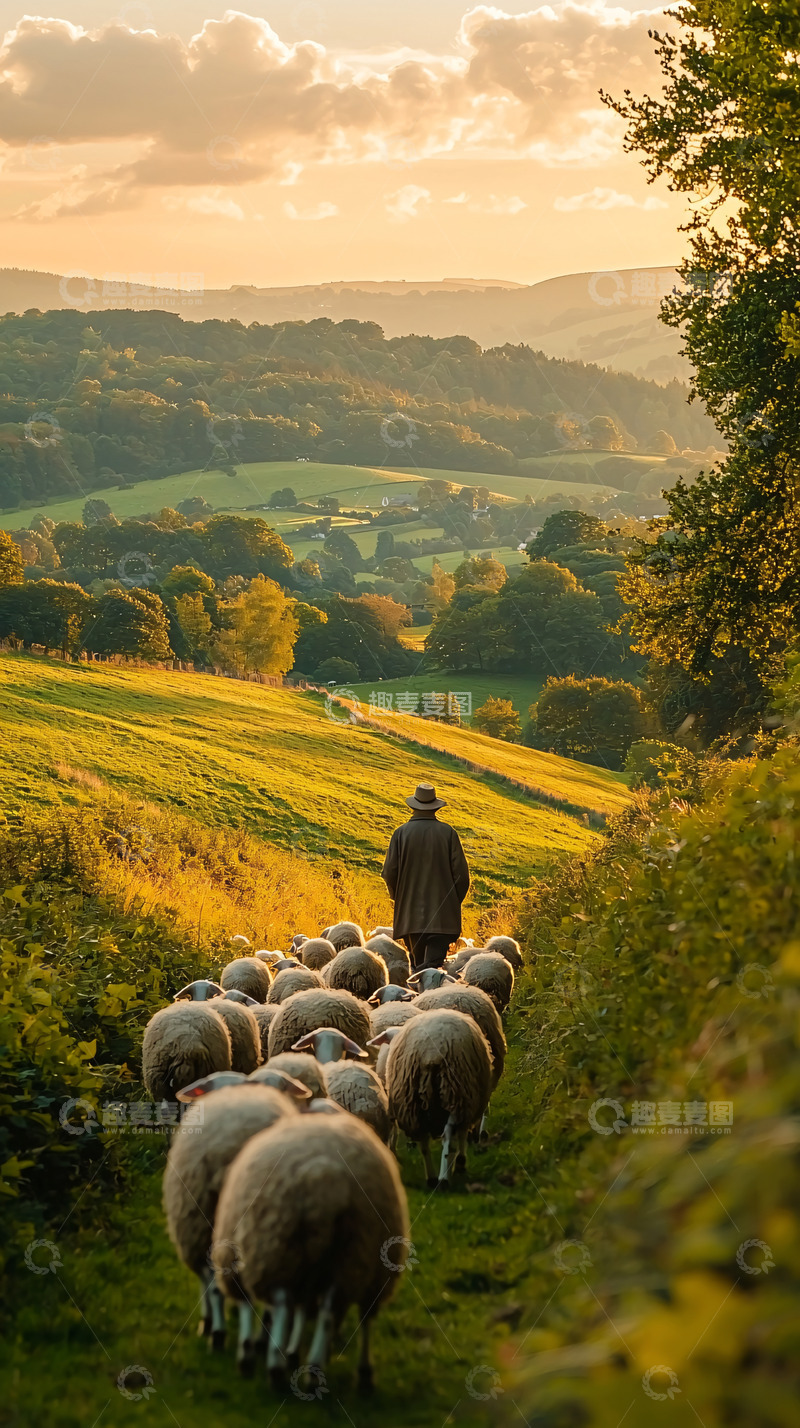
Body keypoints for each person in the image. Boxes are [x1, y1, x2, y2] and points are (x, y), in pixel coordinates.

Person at [381, 782, 470, 971]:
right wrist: (452, 902)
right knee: (434, 970)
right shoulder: (448, 833)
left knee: (418, 969)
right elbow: (462, 876)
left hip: (410, 917)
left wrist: (399, 897)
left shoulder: (400, 834)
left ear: (413, 806)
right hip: (443, 919)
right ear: (435, 808)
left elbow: (389, 872)